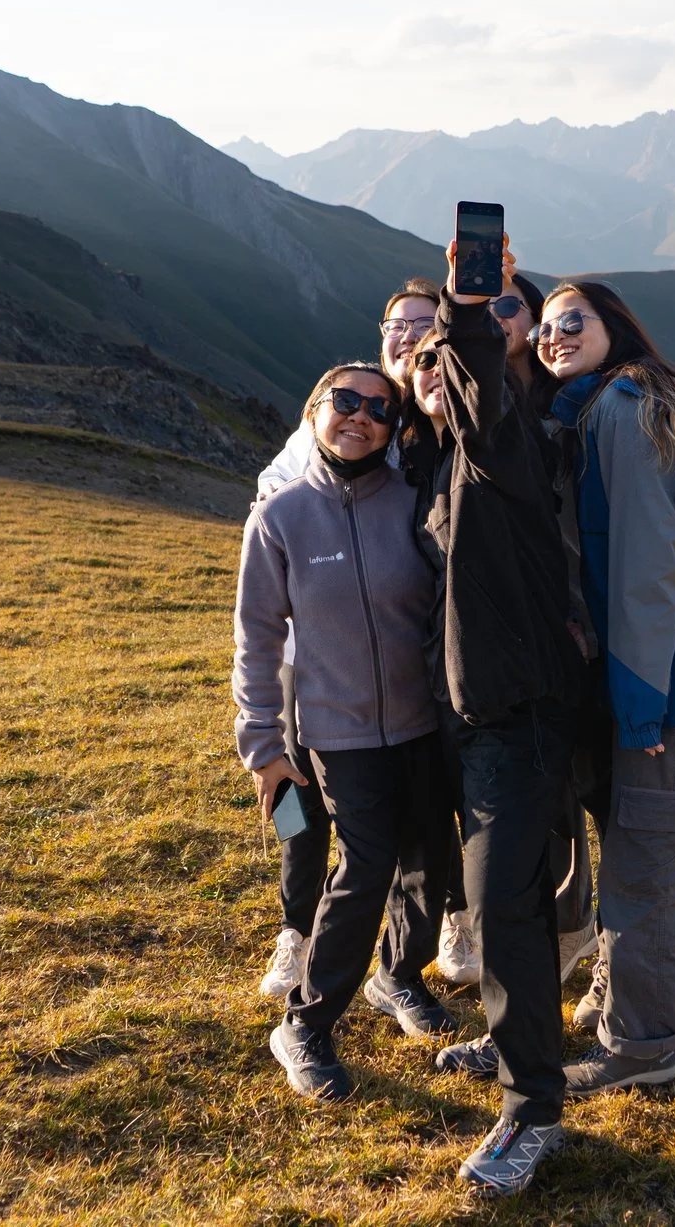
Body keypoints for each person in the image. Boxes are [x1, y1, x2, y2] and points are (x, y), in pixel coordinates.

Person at [536, 279, 675, 1096]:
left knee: (640, 868)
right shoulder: (619, 406)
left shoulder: (622, 414)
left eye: (573, 321)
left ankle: (642, 1045)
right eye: (546, 328)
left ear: (614, 328)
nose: (554, 335)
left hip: (671, 682)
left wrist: (639, 709)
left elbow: (644, 576)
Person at [410, 241, 587, 1196]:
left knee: (504, 906)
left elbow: (479, 389)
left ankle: (532, 1113)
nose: (448, 371)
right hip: (464, 717)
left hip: (516, 718)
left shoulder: (511, 447)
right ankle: (518, 1047)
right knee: (487, 899)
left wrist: (470, 307)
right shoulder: (438, 464)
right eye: (429, 363)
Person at [234, 363, 456, 1102]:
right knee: (365, 868)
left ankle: (396, 976)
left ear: (394, 428)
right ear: (315, 411)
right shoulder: (281, 516)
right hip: (339, 731)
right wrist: (262, 746)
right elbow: (257, 639)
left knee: (432, 861)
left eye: (377, 408)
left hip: (424, 721)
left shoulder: (415, 503)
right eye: (345, 402)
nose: (359, 416)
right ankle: (305, 1023)